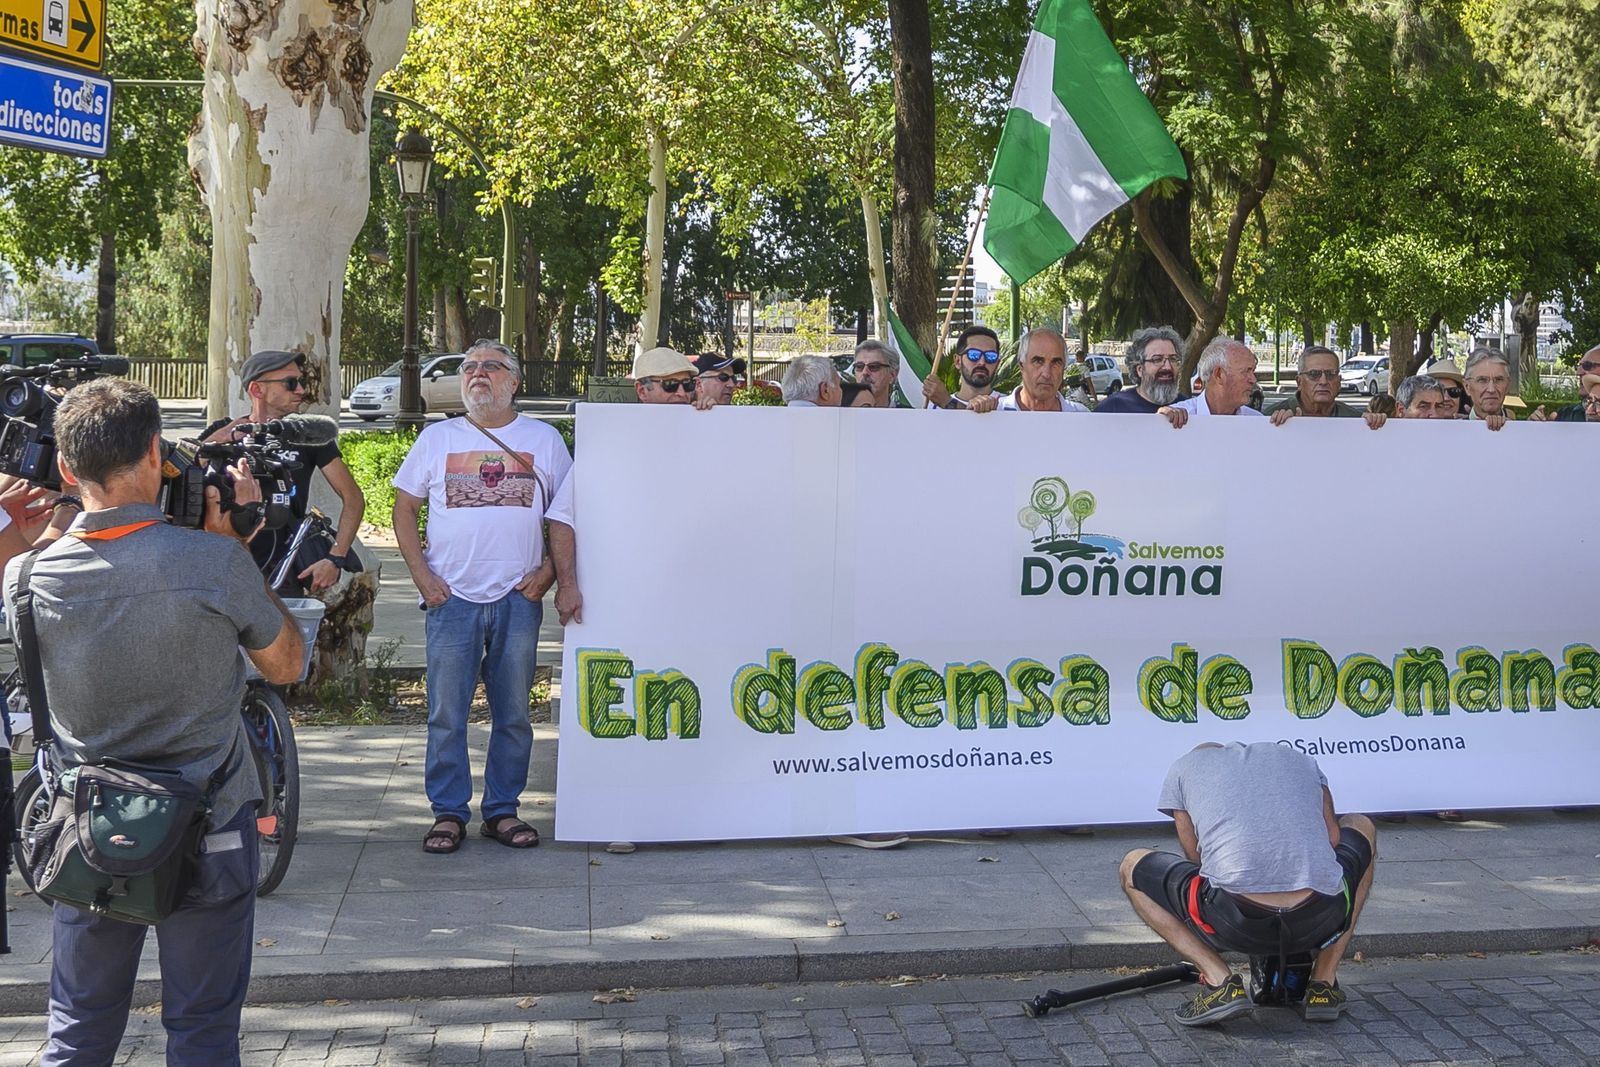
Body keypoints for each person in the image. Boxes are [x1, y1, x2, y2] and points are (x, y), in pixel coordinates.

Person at [6, 378, 304, 1066]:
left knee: (76, 1032)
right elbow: (287, 664)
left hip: (94, 830)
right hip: (213, 827)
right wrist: (234, 547)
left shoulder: (26, 578)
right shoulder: (215, 563)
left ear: (65, 469)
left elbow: (56, 544)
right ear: (153, 454)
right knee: (202, 1032)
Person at [392, 340, 573, 855]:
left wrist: (546, 574)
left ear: (514, 381)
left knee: (513, 712)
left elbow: (567, 513)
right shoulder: (436, 438)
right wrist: (423, 578)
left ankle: (501, 811)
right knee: (446, 713)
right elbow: (404, 509)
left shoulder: (544, 438)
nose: (477, 375)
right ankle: (448, 813)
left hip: (518, 598)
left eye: (491, 367)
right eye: (469, 368)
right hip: (452, 600)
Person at [1120, 742, 1377, 1027]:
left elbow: (1196, 858)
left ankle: (1221, 982)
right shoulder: (1300, 759)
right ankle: (1323, 984)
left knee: (1132, 865)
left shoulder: (1183, 768)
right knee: (1360, 823)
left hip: (1233, 918)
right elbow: (1332, 839)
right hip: (1322, 913)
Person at [202, 350, 365, 593]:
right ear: (257, 390)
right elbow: (184, 474)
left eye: (301, 382)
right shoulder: (223, 433)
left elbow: (353, 498)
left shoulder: (305, 434)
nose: (300, 390)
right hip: (223, 566)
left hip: (284, 573)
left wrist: (335, 559)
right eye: (290, 383)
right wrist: (222, 438)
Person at [1268, 345, 1384, 428]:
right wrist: (1281, 428)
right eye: (1314, 374)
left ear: (1339, 381)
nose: (1323, 381)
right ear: (1299, 382)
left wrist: (1377, 424)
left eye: (1331, 374)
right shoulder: (1272, 416)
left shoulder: (1355, 419)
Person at [1159, 339, 1266, 427]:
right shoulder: (1176, 420)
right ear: (1219, 375)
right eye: (1246, 371)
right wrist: (1158, 423)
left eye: (1253, 371)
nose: (1253, 380)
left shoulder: (1257, 421)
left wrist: (1281, 428)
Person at [995, 328, 1089, 412]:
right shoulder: (995, 412)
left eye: (1056, 363)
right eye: (1038, 361)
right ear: (1021, 366)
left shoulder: (1081, 416)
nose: (1046, 374)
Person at [1096, 327, 1185, 414]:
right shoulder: (1113, 407)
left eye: (1173, 359)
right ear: (1140, 369)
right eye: (1157, 359)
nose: (1167, 367)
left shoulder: (1190, 408)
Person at [921, 325, 1001, 411]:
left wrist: (948, 402)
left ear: (997, 364)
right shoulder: (933, 409)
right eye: (973, 355)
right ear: (958, 361)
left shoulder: (1008, 406)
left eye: (990, 356)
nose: (982, 362)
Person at [1528, 344, 1600, 422]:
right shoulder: (1567, 415)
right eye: (1589, 402)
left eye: (1587, 365)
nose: (1578, 372)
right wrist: (1536, 428)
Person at [632, 346, 717, 409]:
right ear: (642, 391)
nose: (682, 393)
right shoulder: (625, 427)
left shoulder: (697, 419)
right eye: (670, 385)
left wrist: (711, 417)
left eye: (687, 384)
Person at [1461, 347, 1511, 430]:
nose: (1491, 389)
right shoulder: (1454, 431)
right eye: (1482, 380)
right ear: (1467, 387)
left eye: (1499, 380)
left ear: (1508, 386)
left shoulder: (1523, 431)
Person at [850, 340, 900, 408]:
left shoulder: (909, 416)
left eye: (874, 366)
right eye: (859, 366)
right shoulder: (841, 414)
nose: (865, 372)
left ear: (892, 375)